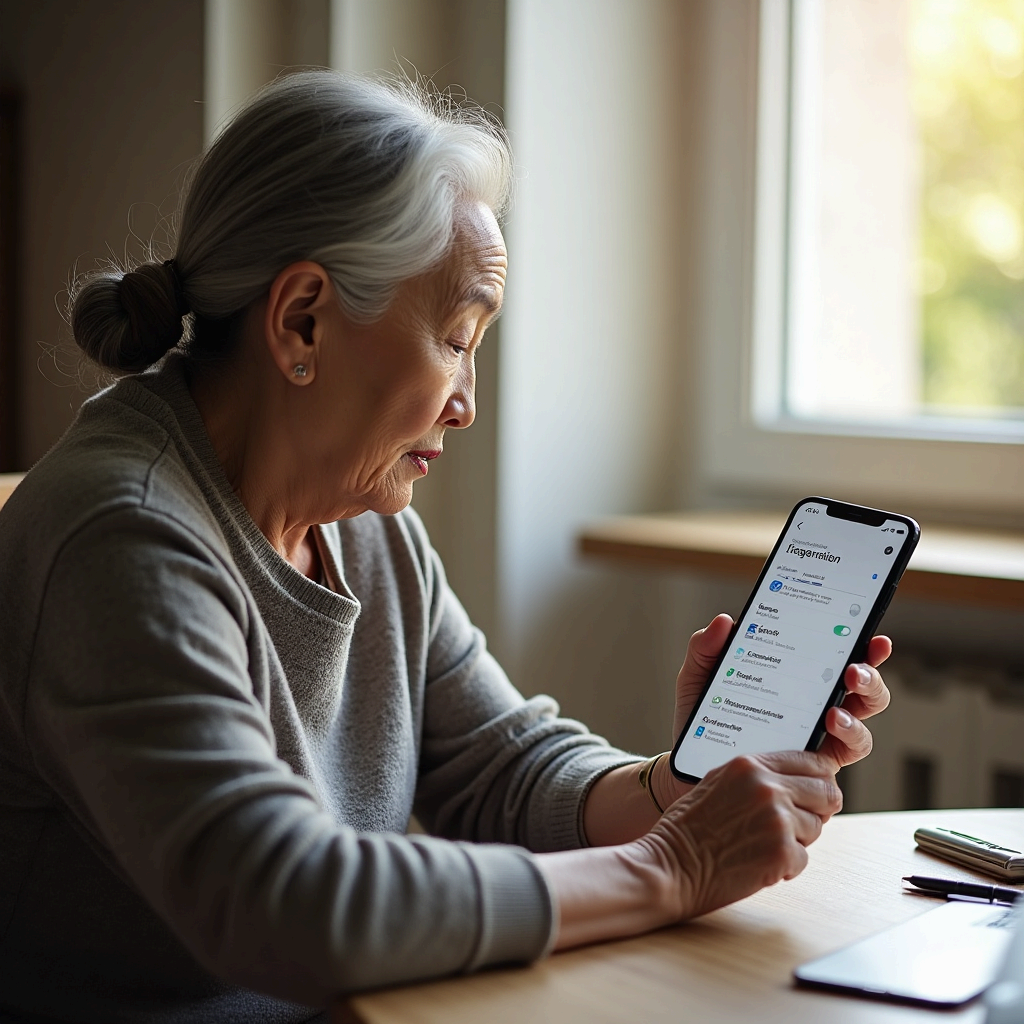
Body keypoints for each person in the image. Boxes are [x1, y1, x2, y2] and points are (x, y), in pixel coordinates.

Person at [0, 71, 891, 1024]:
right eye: (459, 338)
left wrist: (679, 787)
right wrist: (670, 865)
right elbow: (290, 905)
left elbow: (499, 766)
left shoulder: (362, 529)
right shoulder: (123, 537)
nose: (466, 403)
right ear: (303, 320)